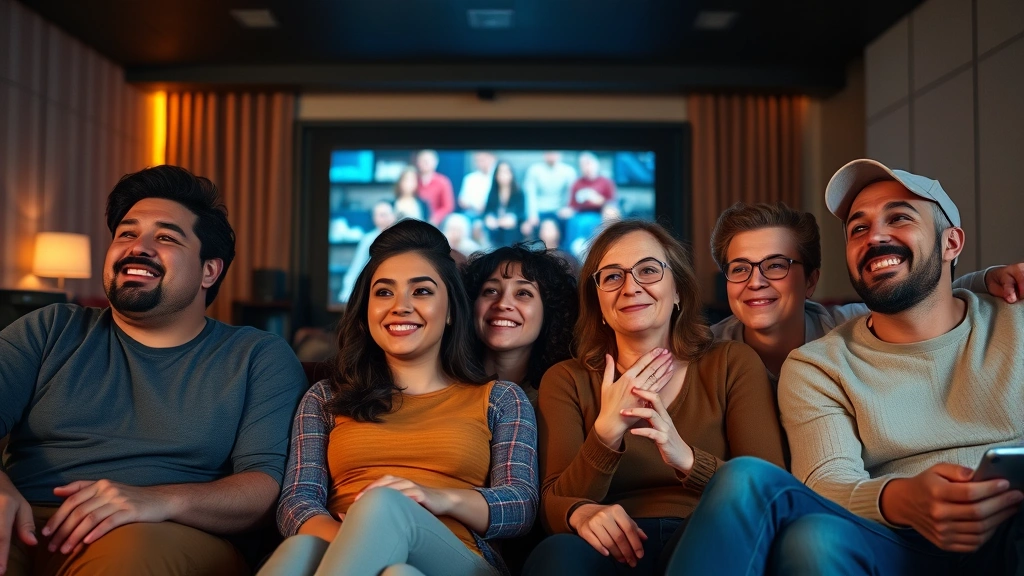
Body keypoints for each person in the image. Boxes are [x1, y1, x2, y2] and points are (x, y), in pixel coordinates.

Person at [668, 159, 1024, 575]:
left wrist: (988, 280)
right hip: (891, 536)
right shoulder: (810, 363)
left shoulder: (1011, 319)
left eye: (900, 217)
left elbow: (929, 297)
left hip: (1012, 520)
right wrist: (902, 497)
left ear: (952, 243)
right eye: (858, 228)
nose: (875, 236)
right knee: (806, 532)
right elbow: (825, 480)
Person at [0, 165, 306, 575]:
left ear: (209, 271)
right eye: (126, 233)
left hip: (161, 530)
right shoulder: (50, 328)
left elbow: (265, 491)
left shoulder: (255, 356)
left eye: (165, 237)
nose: (137, 247)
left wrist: (161, 500)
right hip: (24, 522)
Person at [262, 219, 538, 576]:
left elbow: (520, 506)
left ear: (452, 309)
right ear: (366, 309)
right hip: (348, 551)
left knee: (383, 505)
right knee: (314, 550)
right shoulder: (326, 397)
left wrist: (435, 497)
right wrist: (361, 537)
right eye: (384, 292)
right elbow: (296, 502)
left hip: (460, 559)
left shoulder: (500, 399)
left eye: (421, 291)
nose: (400, 306)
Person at [523, 220, 786, 576]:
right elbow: (554, 503)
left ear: (678, 290)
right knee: (556, 555)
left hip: (705, 533)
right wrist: (605, 436)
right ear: (597, 302)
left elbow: (769, 490)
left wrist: (688, 460)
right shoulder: (568, 379)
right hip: (611, 544)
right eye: (613, 277)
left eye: (648, 270)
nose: (631, 287)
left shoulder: (730, 363)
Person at [709, 201, 1024, 383]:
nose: (755, 281)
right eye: (739, 268)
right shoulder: (705, 354)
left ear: (810, 282)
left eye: (776, 265)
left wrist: (985, 279)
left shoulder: (846, 329)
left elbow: (920, 300)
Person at [463, 243, 579, 407]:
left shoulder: (563, 398)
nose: (502, 304)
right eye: (491, 291)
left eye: (523, 293)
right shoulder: (440, 386)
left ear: (549, 312)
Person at [338, 201, 396, 303]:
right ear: (374, 218)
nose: (384, 218)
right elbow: (356, 267)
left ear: (393, 215)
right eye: (380, 215)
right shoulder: (368, 240)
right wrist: (347, 294)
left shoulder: (402, 239)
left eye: (387, 214)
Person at [562, 153, 616, 253]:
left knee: (587, 223)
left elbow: (611, 202)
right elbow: (572, 205)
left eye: (588, 163)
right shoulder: (577, 183)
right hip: (579, 214)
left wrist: (600, 200)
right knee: (573, 223)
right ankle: (573, 254)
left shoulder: (606, 182)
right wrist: (568, 210)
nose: (586, 167)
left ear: (596, 164)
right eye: (583, 165)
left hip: (599, 214)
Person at [522, 152, 577, 238]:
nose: (552, 155)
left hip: (559, 211)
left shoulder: (568, 171)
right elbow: (530, 195)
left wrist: (568, 208)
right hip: (540, 210)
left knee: (571, 223)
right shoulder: (534, 170)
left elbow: (572, 194)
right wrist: (532, 215)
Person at [482, 162, 527, 248]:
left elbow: (521, 214)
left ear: (511, 174)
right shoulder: (492, 192)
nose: (503, 175)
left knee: (510, 229)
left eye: (506, 172)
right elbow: (488, 211)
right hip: (495, 224)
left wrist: (511, 219)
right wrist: (489, 218)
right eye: (501, 172)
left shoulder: (518, 192)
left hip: (513, 226)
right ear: (496, 175)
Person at [416, 150, 455, 226]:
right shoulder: (414, 180)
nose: (425, 163)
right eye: (422, 160)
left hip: (437, 221)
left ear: (435, 162)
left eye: (428, 160)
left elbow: (448, 206)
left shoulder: (443, 181)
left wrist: (436, 218)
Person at [458, 151, 497, 218]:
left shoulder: (498, 178)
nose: (480, 163)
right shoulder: (469, 178)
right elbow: (462, 200)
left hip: (492, 214)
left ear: (492, 158)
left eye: (483, 160)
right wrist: (474, 207)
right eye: (477, 160)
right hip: (471, 213)